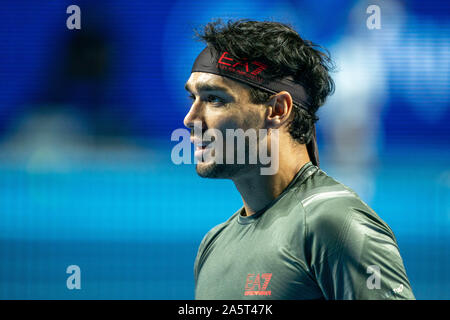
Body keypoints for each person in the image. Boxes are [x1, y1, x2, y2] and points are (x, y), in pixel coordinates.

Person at [183, 19, 414, 300]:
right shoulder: (213, 245)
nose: (190, 119)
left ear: (278, 109)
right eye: (193, 97)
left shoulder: (336, 224)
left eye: (214, 99)